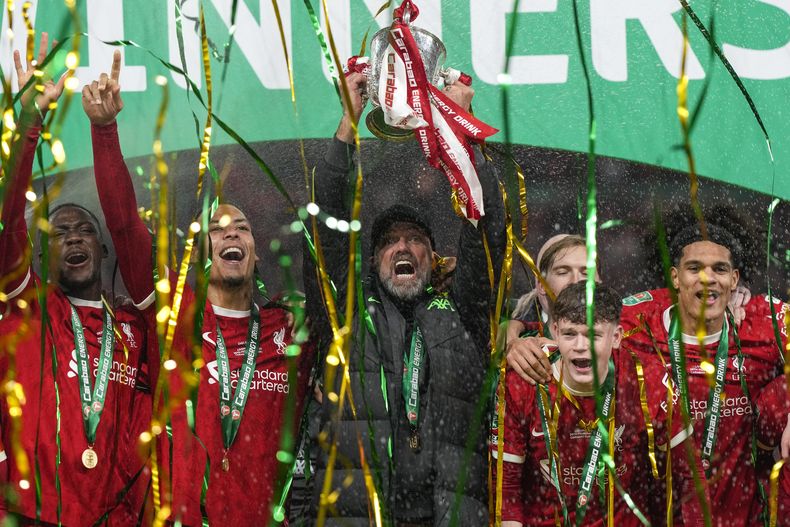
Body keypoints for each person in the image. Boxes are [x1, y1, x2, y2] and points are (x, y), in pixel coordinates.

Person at [85, 50, 316, 525]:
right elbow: (126, 228)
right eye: (218, 228)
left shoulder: (286, 328)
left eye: (243, 228)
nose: (232, 233)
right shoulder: (173, 313)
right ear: (204, 251)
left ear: (255, 253)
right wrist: (105, 132)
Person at [305, 72, 505, 525]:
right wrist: (347, 127)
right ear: (374, 261)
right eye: (390, 241)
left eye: (414, 239)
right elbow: (323, 235)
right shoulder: (348, 316)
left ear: (433, 258)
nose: (402, 248)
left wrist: (463, 129)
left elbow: (488, 234)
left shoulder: (463, 314)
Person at [0, 34, 151, 525]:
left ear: (104, 250)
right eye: (60, 233)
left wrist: (104, 130)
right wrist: (28, 122)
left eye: (86, 229)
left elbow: (127, 224)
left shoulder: (138, 326)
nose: (74, 238)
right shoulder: (28, 308)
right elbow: (7, 221)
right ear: (41, 255)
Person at [618, 221, 788, 525]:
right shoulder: (636, 324)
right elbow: (565, 331)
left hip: (747, 514)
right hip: (661, 513)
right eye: (694, 268)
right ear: (675, 277)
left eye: (720, 270)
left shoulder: (765, 322)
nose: (708, 279)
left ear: (735, 279)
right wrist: (517, 332)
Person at [498, 282, 700, 525]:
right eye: (570, 334)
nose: (581, 347)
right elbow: (506, 492)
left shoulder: (649, 379)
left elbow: (690, 476)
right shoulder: (523, 383)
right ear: (555, 331)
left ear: (616, 337)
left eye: (593, 335)